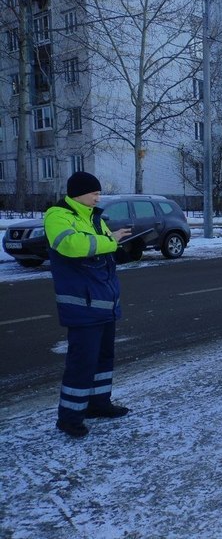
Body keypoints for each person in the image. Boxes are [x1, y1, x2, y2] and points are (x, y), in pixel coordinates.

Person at [44, 172, 133, 438]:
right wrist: (111, 241)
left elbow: (106, 250)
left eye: (98, 193)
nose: (98, 197)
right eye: (94, 193)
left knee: (104, 359)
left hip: (105, 303)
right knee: (82, 362)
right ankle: (69, 418)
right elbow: (71, 245)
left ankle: (98, 403)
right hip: (82, 305)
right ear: (78, 194)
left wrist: (125, 249)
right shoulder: (58, 216)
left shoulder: (95, 218)